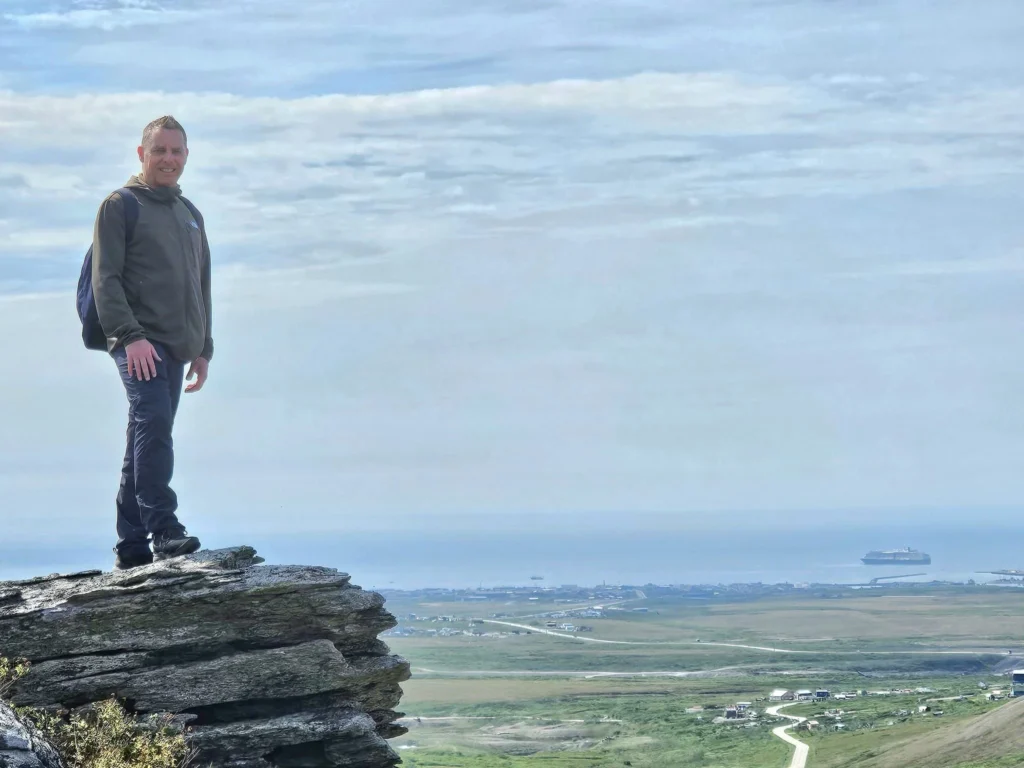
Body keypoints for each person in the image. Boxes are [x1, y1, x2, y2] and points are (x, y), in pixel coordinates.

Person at [91, 115, 213, 569]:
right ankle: (164, 529)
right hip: (137, 341)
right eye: (159, 150)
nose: (168, 159)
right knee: (154, 422)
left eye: (176, 151)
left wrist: (204, 347)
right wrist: (130, 337)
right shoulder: (120, 205)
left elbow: (201, 284)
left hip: (178, 345)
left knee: (145, 434)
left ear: (187, 155)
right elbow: (105, 279)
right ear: (142, 154)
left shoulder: (190, 214)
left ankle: (131, 548)